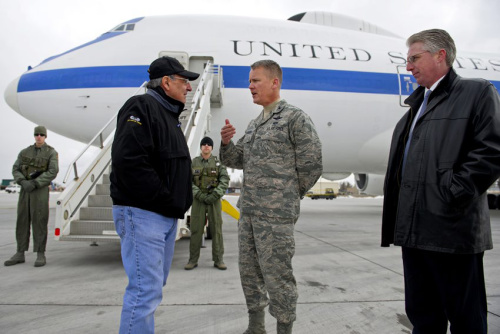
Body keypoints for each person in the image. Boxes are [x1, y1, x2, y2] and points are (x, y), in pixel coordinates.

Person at [382, 29, 500, 334]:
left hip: (452, 230)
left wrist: (452, 195)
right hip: (415, 231)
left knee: (466, 318)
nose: (408, 66)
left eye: (414, 58)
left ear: (440, 55)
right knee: (423, 317)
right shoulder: (416, 106)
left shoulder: (476, 93)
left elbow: (490, 152)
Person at [220, 59, 322, 334]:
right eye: (249, 81)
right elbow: (237, 158)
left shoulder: (294, 118)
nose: (250, 86)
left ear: (274, 82)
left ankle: (284, 329)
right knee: (249, 274)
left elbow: (312, 163)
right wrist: (226, 143)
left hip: (275, 216)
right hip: (250, 213)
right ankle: (256, 327)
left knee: (278, 277)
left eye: (256, 81)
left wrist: (286, 195)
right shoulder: (255, 124)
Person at [110, 56, 199, 334]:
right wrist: (166, 198)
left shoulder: (168, 116)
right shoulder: (141, 106)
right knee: (144, 292)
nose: (189, 88)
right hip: (145, 214)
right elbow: (130, 162)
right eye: (184, 81)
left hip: (162, 216)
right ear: (166, 82)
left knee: (152, 288)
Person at [5, 125, 59, 268]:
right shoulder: (25, 152)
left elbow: (53, 171)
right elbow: (15, 169)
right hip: (25, 190)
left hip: (39, 191)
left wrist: (35, 183)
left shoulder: (51, 153)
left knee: (39, 220)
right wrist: (22, 181)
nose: (39, 137)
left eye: (42, 134)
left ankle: (40, 253)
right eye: (37, 134)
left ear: (45, 136)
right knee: (22, 220)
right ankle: (20, 252)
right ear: (34, 136)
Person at [185, 136, 230, 270]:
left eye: (209, 144)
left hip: (214, 201)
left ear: (211, 147)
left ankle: (218, 260)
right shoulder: (194, 163)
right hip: (198, 200)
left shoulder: (218, 164)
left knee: (216, 230)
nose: (206, 146)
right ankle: (193, 260)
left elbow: (224, 179)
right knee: (196, 230)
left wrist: (216, 194)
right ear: (201, 147)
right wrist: (198, 194)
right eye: (204, 144)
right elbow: (188, 180)